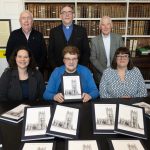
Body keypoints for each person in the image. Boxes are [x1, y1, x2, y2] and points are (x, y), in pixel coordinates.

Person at [47, 5, 90, 71]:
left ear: (73, 15)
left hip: (78, 69)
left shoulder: (82, 30)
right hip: (58, 69)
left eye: (69, 12)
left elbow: (86, 52)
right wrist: (56, 68)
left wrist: (81, 68)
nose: (67, 14)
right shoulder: (54, 32)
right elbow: (50, 53)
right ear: (60, 16)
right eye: (64, 12)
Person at [90, 16, 124, 85]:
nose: (106, 27)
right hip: (100, 75)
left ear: (111, 26)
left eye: (108, 24)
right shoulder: (94, 41)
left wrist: (115, 71)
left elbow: (122, 55)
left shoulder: (118, 38)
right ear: (100, 27)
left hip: (117, 73)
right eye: (103, 25)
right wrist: (105, 71)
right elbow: (93, 58)